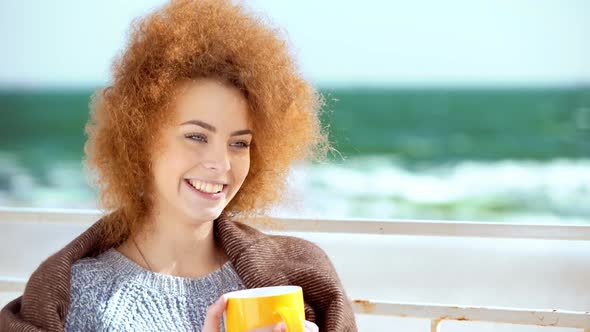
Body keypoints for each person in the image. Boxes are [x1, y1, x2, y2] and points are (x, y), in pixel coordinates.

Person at [0, 0, 356, 331]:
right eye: (196, 136)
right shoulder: (79, 298)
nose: (221, 163)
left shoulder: (299, 280)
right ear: (140, 138)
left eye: (239, 143)